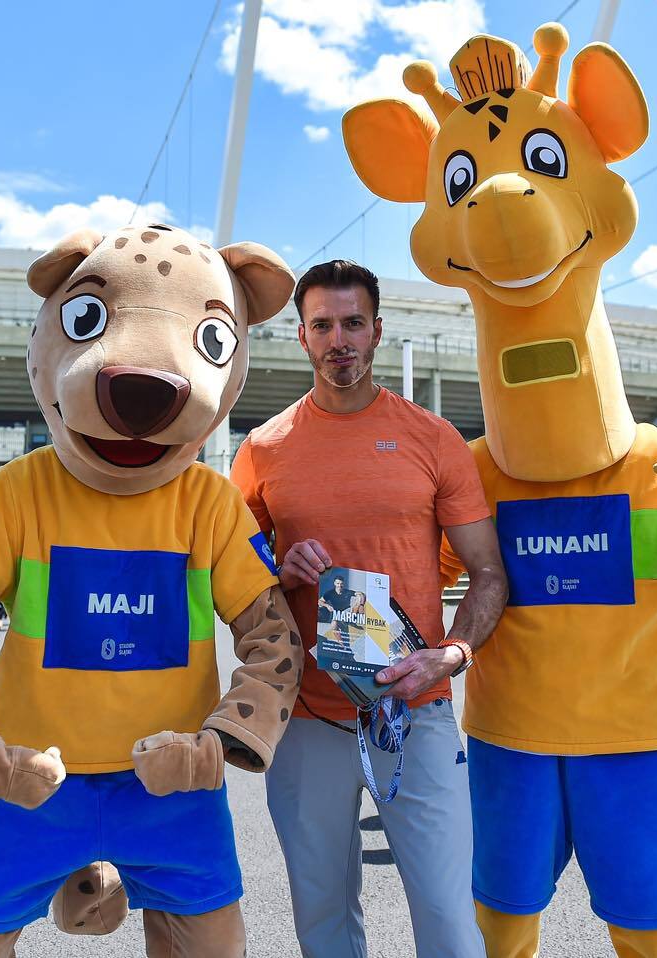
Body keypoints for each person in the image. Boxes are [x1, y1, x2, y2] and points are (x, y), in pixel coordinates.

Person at [231, 260, 508, 958]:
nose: (339, 339)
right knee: (322, 916)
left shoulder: (433, 438)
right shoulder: (262, 450)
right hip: (308, 718)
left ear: (378, 330)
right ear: (301, 337)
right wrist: (274, 567)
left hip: (416, 710)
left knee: (449, 919)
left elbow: (487, 574)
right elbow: (227, 578)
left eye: (353, 323)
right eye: (322, 325)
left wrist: (451, 653)